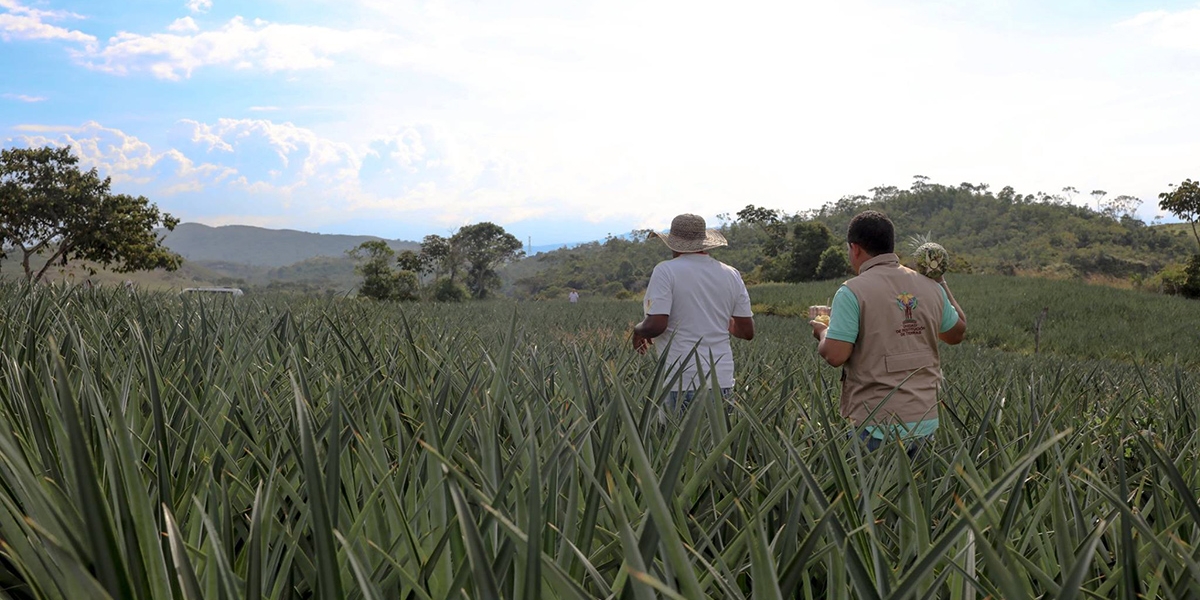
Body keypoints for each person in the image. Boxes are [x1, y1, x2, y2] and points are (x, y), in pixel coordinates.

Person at [809, 210, 967, 452]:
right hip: (924, 422)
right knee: (917, 489)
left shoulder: (852, 291)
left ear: (855, 248)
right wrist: (940, 281)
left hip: (875, 424)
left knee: (871, 490)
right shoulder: (931, 287)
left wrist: (822, 332)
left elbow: (835, 355)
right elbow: (955, 334)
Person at [632, 213, 755, 411]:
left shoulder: (666, 271)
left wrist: (638, 330)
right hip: (721, 381)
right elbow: (747, 331)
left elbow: (656, 325)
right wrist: (718, 318)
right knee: (717, 441)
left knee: (677, 441)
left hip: (681, 379)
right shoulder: (731, 274)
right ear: (704, 243)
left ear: (673, 244)